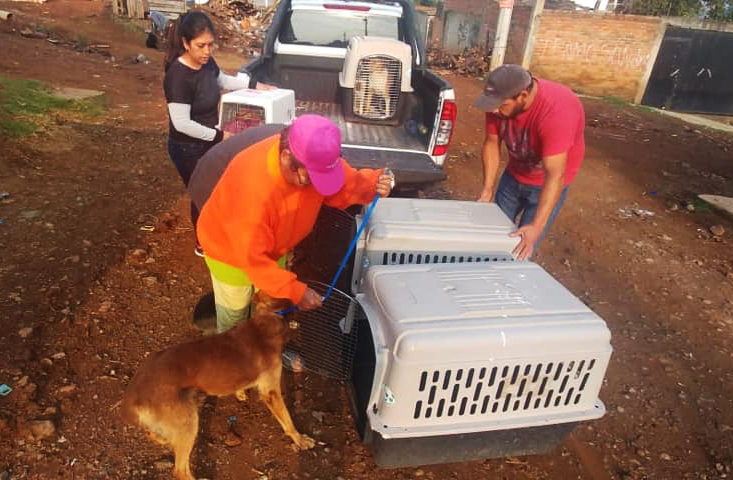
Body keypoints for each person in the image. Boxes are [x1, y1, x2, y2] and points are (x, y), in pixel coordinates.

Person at [188, 114, 394, 333]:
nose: (317, 186)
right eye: (311, 179)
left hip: (274, 247)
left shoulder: (315, 159)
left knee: (271, 308)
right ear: (287, 158)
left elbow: (345, 184)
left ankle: (263, 354)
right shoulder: (253, 190)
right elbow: (252, 259)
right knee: (235, 319)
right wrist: (296, 291)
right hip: (230, 253)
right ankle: (232, 363)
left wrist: (374, 183)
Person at [163, 11, 271, 256]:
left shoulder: (207, 63)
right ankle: (204, 243)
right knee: (203, 190)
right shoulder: (177, 77)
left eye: (210, 45)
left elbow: (222, 80)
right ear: (185, 43)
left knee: (219, 186)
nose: (207, 51)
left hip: (210, 137)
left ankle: (219, 233)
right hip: (187, 146)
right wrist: (219, 136)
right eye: (200, 46)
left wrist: (255, 86)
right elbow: (181, 123)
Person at [474, 64, 585, 260]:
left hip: (546, 184)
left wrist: (537, 226)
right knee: (493, 236)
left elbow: (555, 175)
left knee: (522, 244)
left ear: (523, 96)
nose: (494, 112)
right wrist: (487, 189)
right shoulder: (498, 104)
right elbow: (492, 143)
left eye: (501, 105)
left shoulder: (557, 111)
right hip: (514, 174)